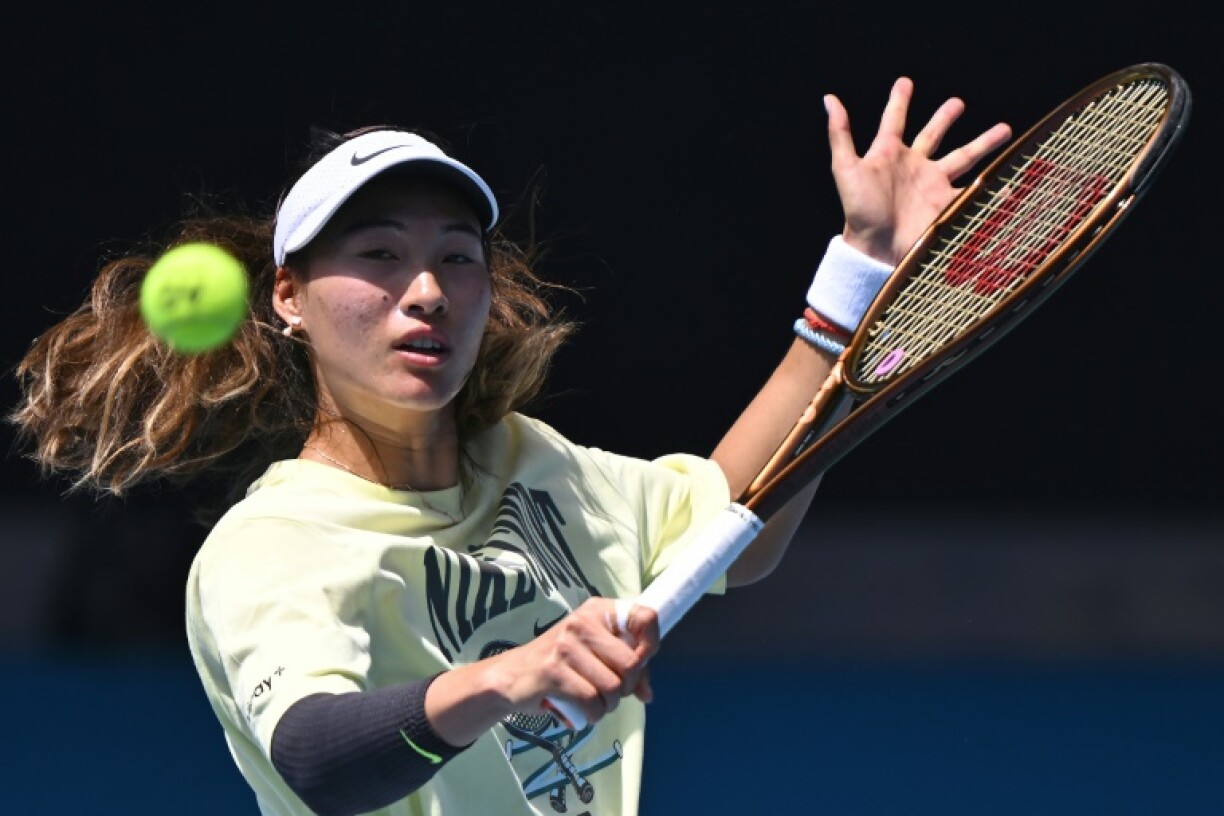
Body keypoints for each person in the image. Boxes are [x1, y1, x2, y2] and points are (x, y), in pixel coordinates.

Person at [9, 77, 1010, 815]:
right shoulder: (273, 544)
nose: (428, 290)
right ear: (288, 299)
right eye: (379, 256)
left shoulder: (532, 463)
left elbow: (734, 526)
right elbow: (316, 758)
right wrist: (505, 677)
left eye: (455, 256)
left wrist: (862, 270)